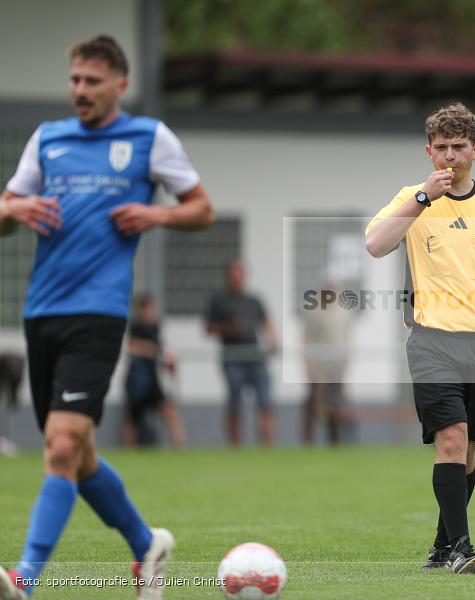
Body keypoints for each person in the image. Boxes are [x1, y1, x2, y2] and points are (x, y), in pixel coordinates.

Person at [0, 35, 213, 600]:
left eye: (92, 81)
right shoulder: (48, 139)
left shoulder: (148, 137)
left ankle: (24, 578)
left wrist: (155, 214)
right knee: (80, 453)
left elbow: (201, 209)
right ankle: (147, 546)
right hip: (42, 309)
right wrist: (14, 208)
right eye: (74, 80)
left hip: (99, 311)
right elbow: (1, 213)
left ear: (119, 85)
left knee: (62, 446)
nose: (80, 91)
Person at [365, 103, 475, 574]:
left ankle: (441, 545)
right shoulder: (412, 197)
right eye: (440, 148)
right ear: (428, 151)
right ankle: (462, 548)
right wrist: (422, 198)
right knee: (452, 439)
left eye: (458, 148)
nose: (449, 157)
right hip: (431, 340)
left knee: (468, 449)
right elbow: (376, 244)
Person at [206, 259, 280, 447]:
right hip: (232, 357)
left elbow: (266, 323)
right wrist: (228, 328)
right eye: (234, 275)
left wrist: (273, 340)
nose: (237, 279)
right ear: (229, 277)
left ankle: (267, 447)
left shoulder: (253, 300)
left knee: (265, 402)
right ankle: (235, 447)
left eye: (241, 274)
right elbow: (209, 329)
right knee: (235, 404)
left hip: (254, 356)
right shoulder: (219, 300)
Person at [123, 294, 186, 448]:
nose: (150, 312)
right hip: (137, 381)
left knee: (169, 410)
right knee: (133, 419)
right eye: (147, 309)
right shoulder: (135, 327)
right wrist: (149, 350)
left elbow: (161, 351)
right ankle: (127, 451)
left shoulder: (155, 328)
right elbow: (131, 346)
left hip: (154, 380)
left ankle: (180, 446)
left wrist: (168, 361)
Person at [303, 281, 353, 445]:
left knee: (336, 403)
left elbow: (347, 337)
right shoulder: (314, 312)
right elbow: (307, 339)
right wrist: (309, 365)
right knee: (313, 403)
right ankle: (308, 440)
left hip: (336, 366)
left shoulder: (343, 312)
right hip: (319, 366)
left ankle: (335, 440)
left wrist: (348, 358)